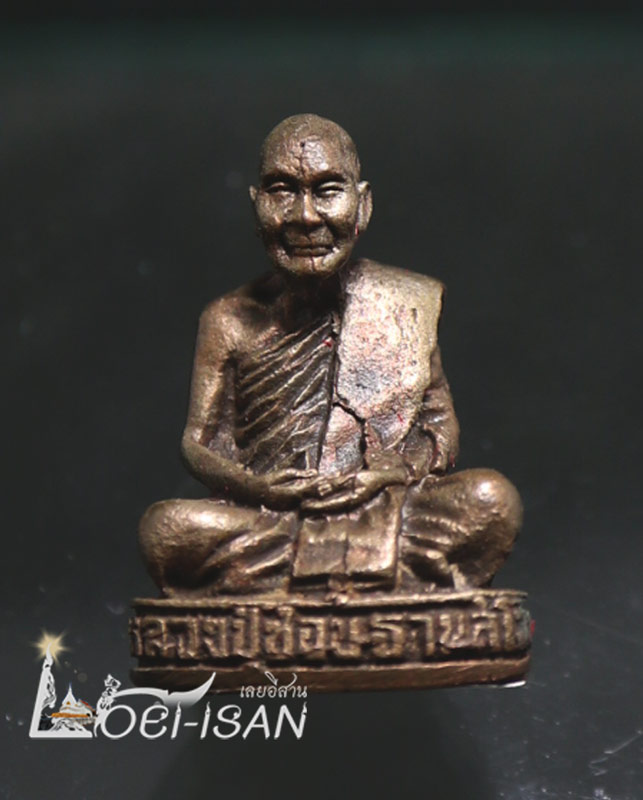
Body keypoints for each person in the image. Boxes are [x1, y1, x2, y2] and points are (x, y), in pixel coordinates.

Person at [139, 114, 522, 597]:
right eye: (282, 191)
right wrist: (261, 489)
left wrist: (394, 471)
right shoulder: (228, 319)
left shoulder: (403, 304)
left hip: (382, 507)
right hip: (270, 518)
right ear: (256, 205)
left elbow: (439, 430)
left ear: (363, 205)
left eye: (327, 191)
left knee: (491, 498)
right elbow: (197, 444)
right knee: (166, 529)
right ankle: (378, 578)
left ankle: (294, 582)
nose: (305, 216)